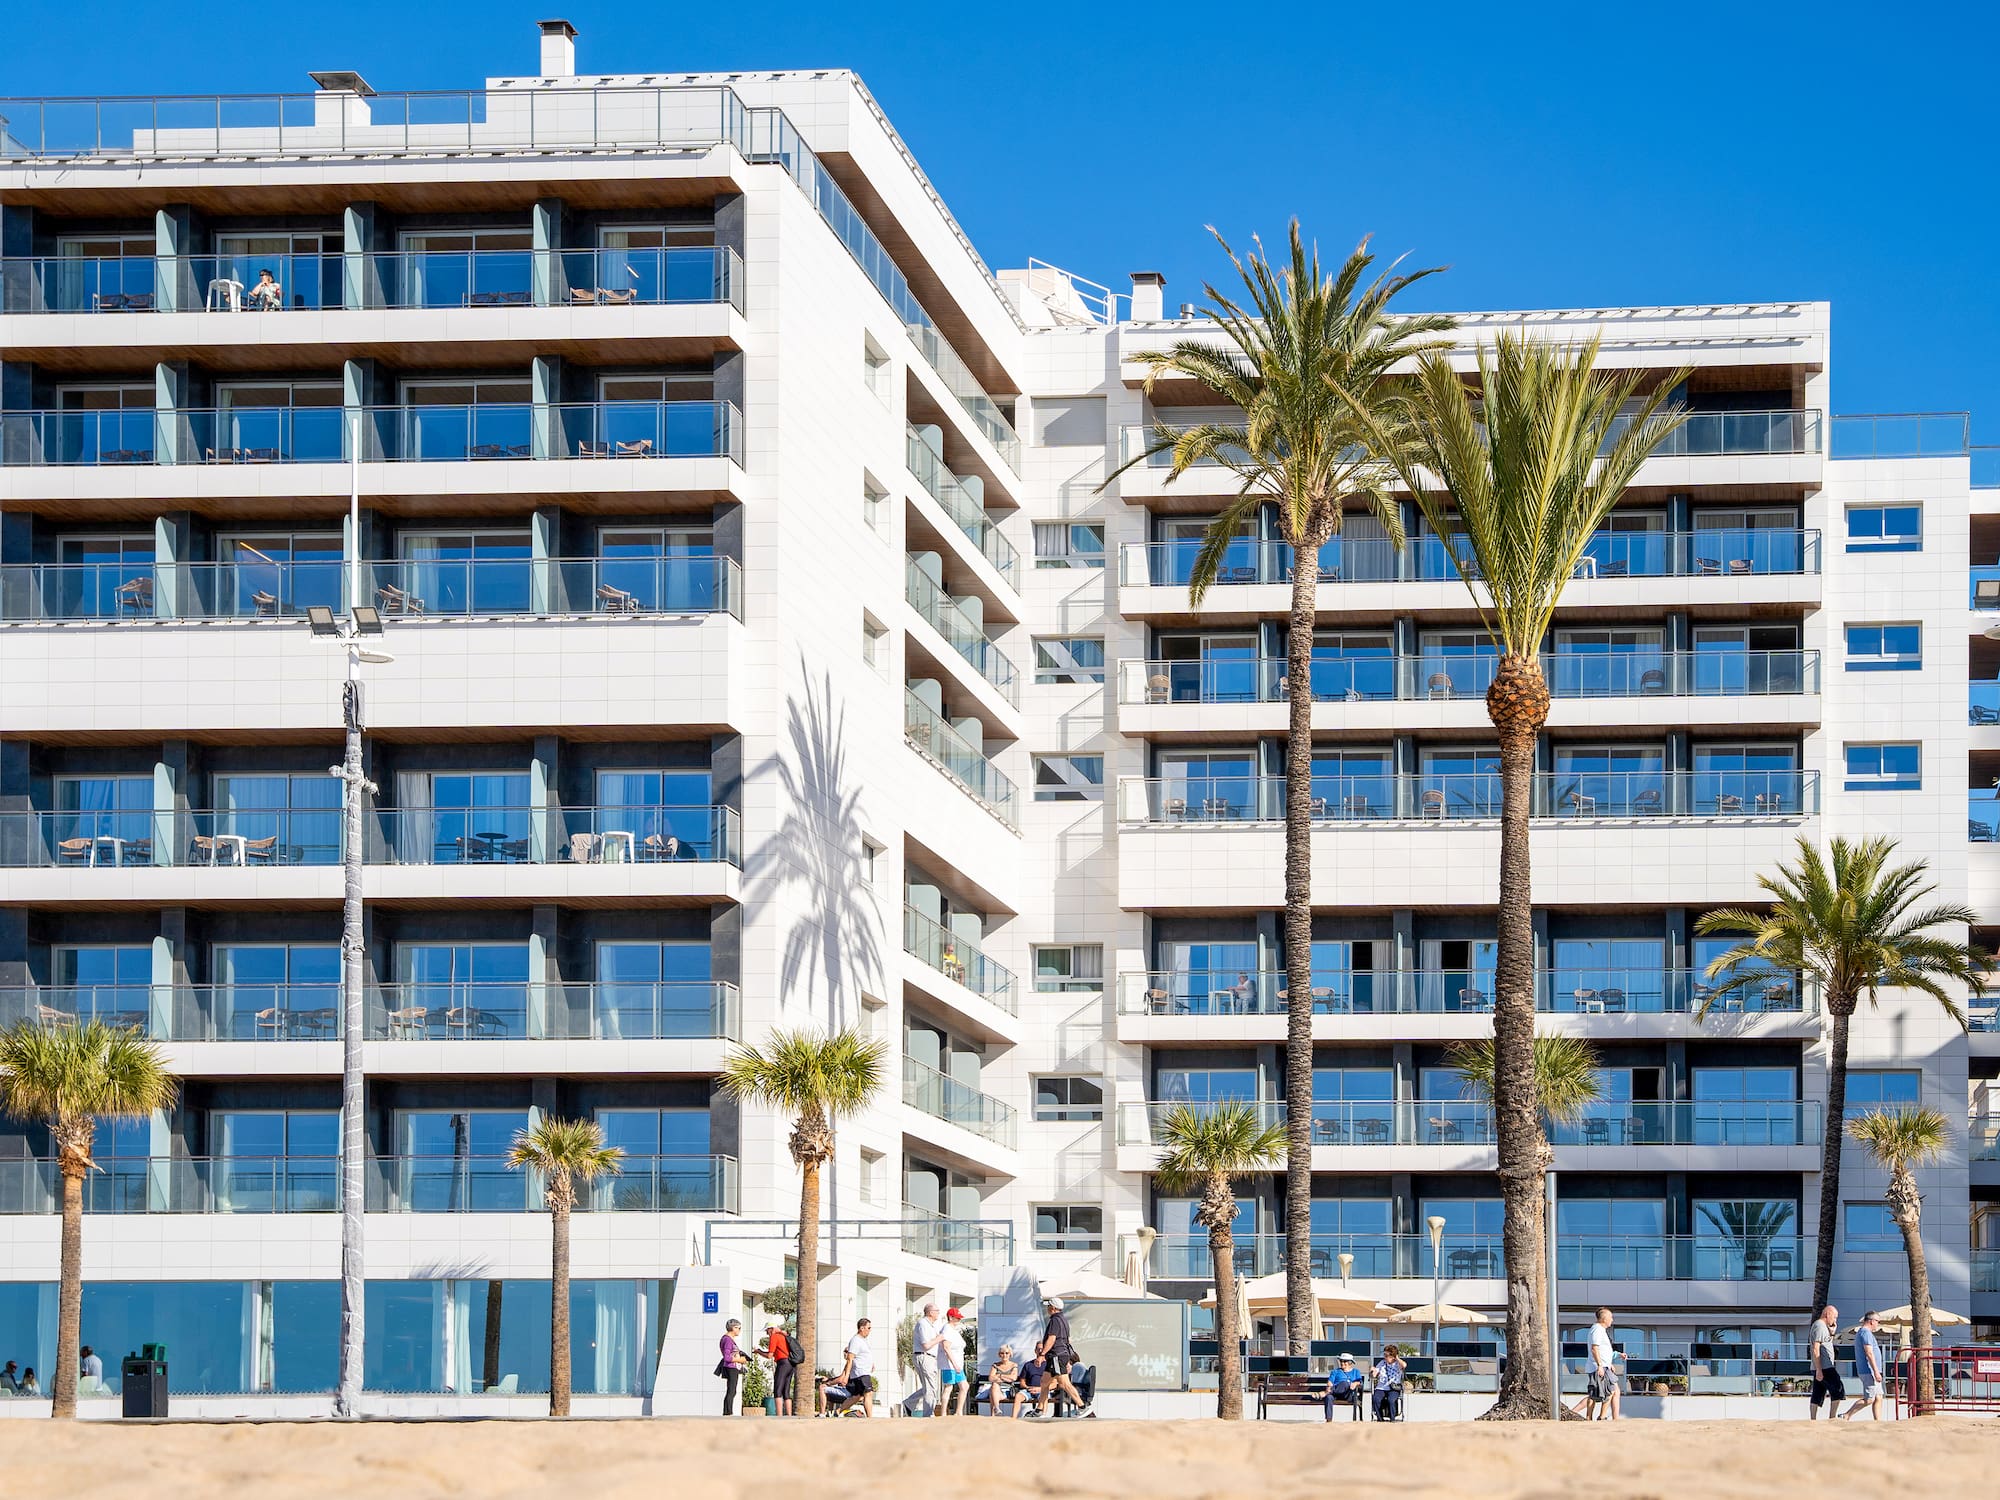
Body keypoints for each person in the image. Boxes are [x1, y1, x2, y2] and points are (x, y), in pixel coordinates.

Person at [1029, 1295, 1091, 1418]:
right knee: (1044, 1382)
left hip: (1056, 1356)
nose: (1047, 1308)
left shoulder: (1055, 1320)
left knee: (1064, 1383)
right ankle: (1039, 1410)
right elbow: (1067, 1340)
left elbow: (1051, 1339)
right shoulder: (1063, 1320)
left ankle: (1082, 1406)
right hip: (1058, 1356)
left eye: (1048, 1306)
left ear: (1053, 1307)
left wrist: (1042, 1354)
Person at [1579, 1307, 1621, 1420]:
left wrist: (1609, 1363)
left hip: (1604, 1366)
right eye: (1610, 1317)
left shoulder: (1601, 1330)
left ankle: (1601, 1416)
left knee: (1611, 1390)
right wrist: (1600, 1365)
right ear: (1604, 1319)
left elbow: (1603, 1350)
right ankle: (1593, 1417)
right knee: (1599, 1393)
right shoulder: (1597, 1329)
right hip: (1598, 1367)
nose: (1612, 1320)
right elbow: (1594, 1348)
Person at [1842, 1311, 1885, 1420]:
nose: (1878, 1324)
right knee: (1869, 1399)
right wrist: (1876, 1371)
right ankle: (1846, 1415)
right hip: (1869, 1371)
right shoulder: (1865, 1333)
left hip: (1871, 1371)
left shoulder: (1864, 1333)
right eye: (1878, 1321)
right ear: (1871, 1321)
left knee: (1878, 1397)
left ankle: (1878, 1421)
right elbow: (1869, 1353)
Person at [1808, 1304, 1845, 1420]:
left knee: (1818, 1393)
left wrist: (1832, 1333)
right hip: (1824, 1367)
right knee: (1838, 1390)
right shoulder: (1820, 1326)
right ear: (1827, 1314)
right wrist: (1819, 1369)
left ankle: (1813, 1419)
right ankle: (1832, 1418)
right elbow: (1816, 1349)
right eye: (1834, 1317)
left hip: (1821, 1367)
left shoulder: (1823, 1327)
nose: (1835, 1320)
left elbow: (1826, 1344)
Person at [836, 1317, 877, 1417]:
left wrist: (871, 1364)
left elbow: (864, 1355)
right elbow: (850, 1359)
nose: (870, 1330)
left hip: (863, 1372)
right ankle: (870, 1418)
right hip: (860, 1372)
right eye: (868, 1328)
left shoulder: (862, 1340)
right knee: (868, 1393)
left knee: (857, 1396)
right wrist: (846, 1376)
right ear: (862, 1328)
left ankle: (838, 1411)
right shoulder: (855, 1340)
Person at [912, 1300, 944, 1416]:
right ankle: (928, 1414)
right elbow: (926, 1345)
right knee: (930, 1387)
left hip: (929, 1358)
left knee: (929, 1387)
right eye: (937, 1311)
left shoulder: (930, 1325)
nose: (938, 1313)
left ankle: (908, 1404)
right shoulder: (923, 1324)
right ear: (930, 1312)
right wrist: (938, 1339)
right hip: (924, 1356)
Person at [760, 1322, 797, 1417]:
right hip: (791, 1364)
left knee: (778, 1389)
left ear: (771, 1329)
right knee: (786, 1391)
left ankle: (779, 1415)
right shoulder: (784, 1336)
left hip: (783, 1363)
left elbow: (769, 1355)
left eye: (767, 1330)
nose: (767, 1333)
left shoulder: (774, 1337)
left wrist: (759, 1352)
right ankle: (789, 1415)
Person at [938, 1306, 969, 1414]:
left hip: (957, 1364)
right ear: (951, 1317)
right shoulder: (947, 1329)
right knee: (948, 1387)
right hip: (950, 1365)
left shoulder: (953, 1330)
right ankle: (943, 1413)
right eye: (957, 1318)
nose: (959, 1320)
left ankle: (959, 1412)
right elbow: (946, 1347)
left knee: (964, 1386)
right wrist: (954, 1364)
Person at [717, 1318, 748, 1415]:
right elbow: (727, 1357)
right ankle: (728, 1412)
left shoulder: (727, 1339)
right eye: (738, 1328)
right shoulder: (728, 1340)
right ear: (733, 1328)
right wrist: (740, 1360)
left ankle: (727, 1411)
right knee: (731, 1390)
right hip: (731, 1367)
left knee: (731, 1390)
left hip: (732, 1366)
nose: (739, 1330)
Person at [1324, 1351, 1365, 1421]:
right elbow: (1330, 1382)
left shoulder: (1355, 1371)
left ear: (1350, 1363)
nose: (1342, 1363)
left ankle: (1326, 1393)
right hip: (1336, 1394)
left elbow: (1360, 1382)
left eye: (1344, 1361)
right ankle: (1329, 1420)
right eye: (1341, 1361)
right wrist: (1329, 1386)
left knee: (1345, 1383)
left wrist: (1355, 1383)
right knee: (1329, 1397)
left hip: (1348, 1394)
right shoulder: (1335, 1372)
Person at [982, 1345, 1021, 1416]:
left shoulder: (1013, 1365)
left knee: (992, 1393)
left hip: (1007, 1391)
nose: (1004, 1355)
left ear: (1010, 1354)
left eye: (1007, 1353)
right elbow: (990, 1378)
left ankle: (993, 1413)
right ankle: (997, 1408)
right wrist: (1006, 1378)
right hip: (996, 1389)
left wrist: (1000, 1376)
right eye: (1002, 1353)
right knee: (994, 1386)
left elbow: (1013, 1378)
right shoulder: (995, 1365)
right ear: (999, 1354)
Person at [1371, 1344, 1406, 1421]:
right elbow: (1374, 1374)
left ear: (1392, 1356)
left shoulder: (1398, 1363)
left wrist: (1397, 1358)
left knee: (1391, 1400)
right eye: (1384, 1355)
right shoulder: (1382, 1363)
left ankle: (1392, 1419)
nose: (1385, 1357)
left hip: (1394, 1387)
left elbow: (1404, 1365)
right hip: (1381, 1387)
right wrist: (1373, 1371)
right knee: (1376, 1399)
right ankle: (1380, 1418)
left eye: (1387, 1355)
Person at [1011, 1350, 1047, 1418]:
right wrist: (1028, 1388)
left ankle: (1043, 1416)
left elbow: (1054, 1383)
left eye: (1042, 1349)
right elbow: (1022, 1381)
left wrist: (1040, 1389)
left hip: (1042, 1390)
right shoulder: (1028, 1364)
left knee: (1045, 1395)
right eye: (1038, 1349)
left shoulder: (1049, 1365)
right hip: (1029, 1390)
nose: (1040, 1351)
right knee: (1018, 1396)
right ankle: (1013, 1418)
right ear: (1035, 1351)